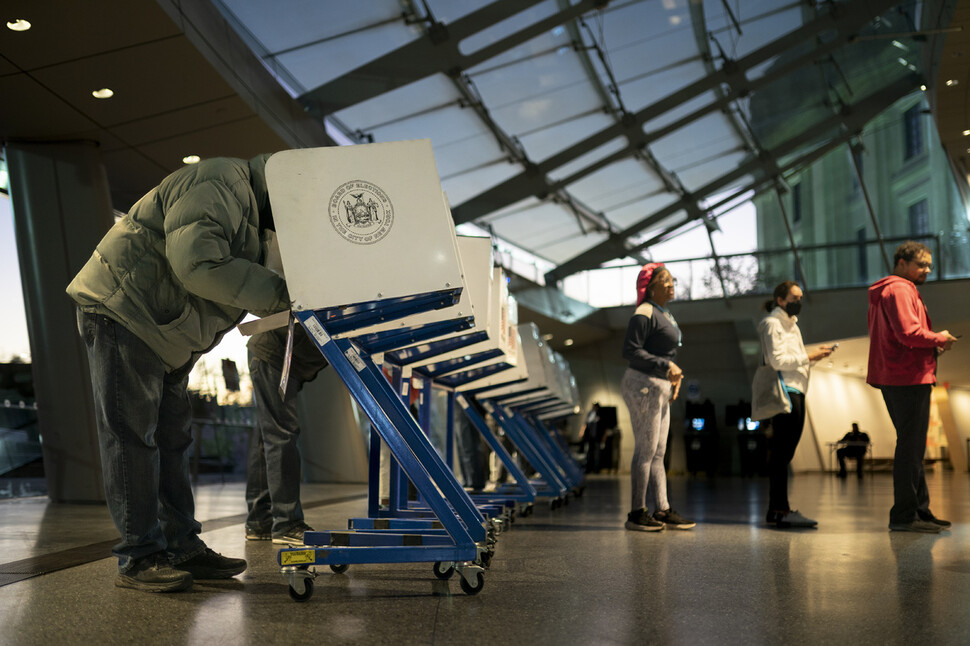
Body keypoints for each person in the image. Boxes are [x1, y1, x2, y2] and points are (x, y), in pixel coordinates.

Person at [67, 154, 289, 592]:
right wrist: (285, 294)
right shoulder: (222, 179)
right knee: (132, 436)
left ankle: (182, 545)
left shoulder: (257, 219)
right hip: (126, 311)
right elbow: (197, 263)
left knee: (173, 439)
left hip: (166, 329)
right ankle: (140, 556)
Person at [867, 241, 958, 533]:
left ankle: (920, 510)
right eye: (922, 264)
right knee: (910, 448)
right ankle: (905, 516)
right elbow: (909, 332)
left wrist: (930, 347)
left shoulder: (888, 290)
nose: (927, 270)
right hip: (907, 377)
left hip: (898, 375)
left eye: (929, 265)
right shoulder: (900, 289)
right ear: (902, 263)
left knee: (912, 447)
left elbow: (899, 337)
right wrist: (939, 338)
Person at [621, 263, 694, 531]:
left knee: (658, 452)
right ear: (650, 286)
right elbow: (630, 351)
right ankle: (636, 511)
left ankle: (661, 508)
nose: (671, 283)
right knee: (646, 450)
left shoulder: (665, 314)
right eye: (664, 280)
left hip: (658, 387)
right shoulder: (644, 312)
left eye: (671, 279)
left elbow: (666, 357)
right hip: (642, 384)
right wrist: (665, 366)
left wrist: (671, 377)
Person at [759, 281, 834, 529]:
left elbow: (795, 362)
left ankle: (777, 509)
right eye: (794, 297)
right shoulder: (772, 324)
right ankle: (780, 509)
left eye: (801, 297)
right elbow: (778, 361)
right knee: (782, 452)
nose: (799, 302)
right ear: (781, 300)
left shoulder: (792, 326)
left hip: (797, 389)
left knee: (785, 452)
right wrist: (809, 355)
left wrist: (814, 357)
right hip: (785, 392)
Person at [245, 325, 328, 544]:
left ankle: (259, 521)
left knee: (267, 437)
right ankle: (287, 522)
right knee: (281, 433)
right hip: (273, 355)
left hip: (280, 358)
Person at [581, 402, 601, 473]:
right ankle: (589, 468)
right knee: (589, 453)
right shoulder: (590, 414)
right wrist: (583, 434)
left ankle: (596, 469)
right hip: (590, 438)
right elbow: (586, 424)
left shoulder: (600, 415)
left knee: (597, 454)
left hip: (597, 438)